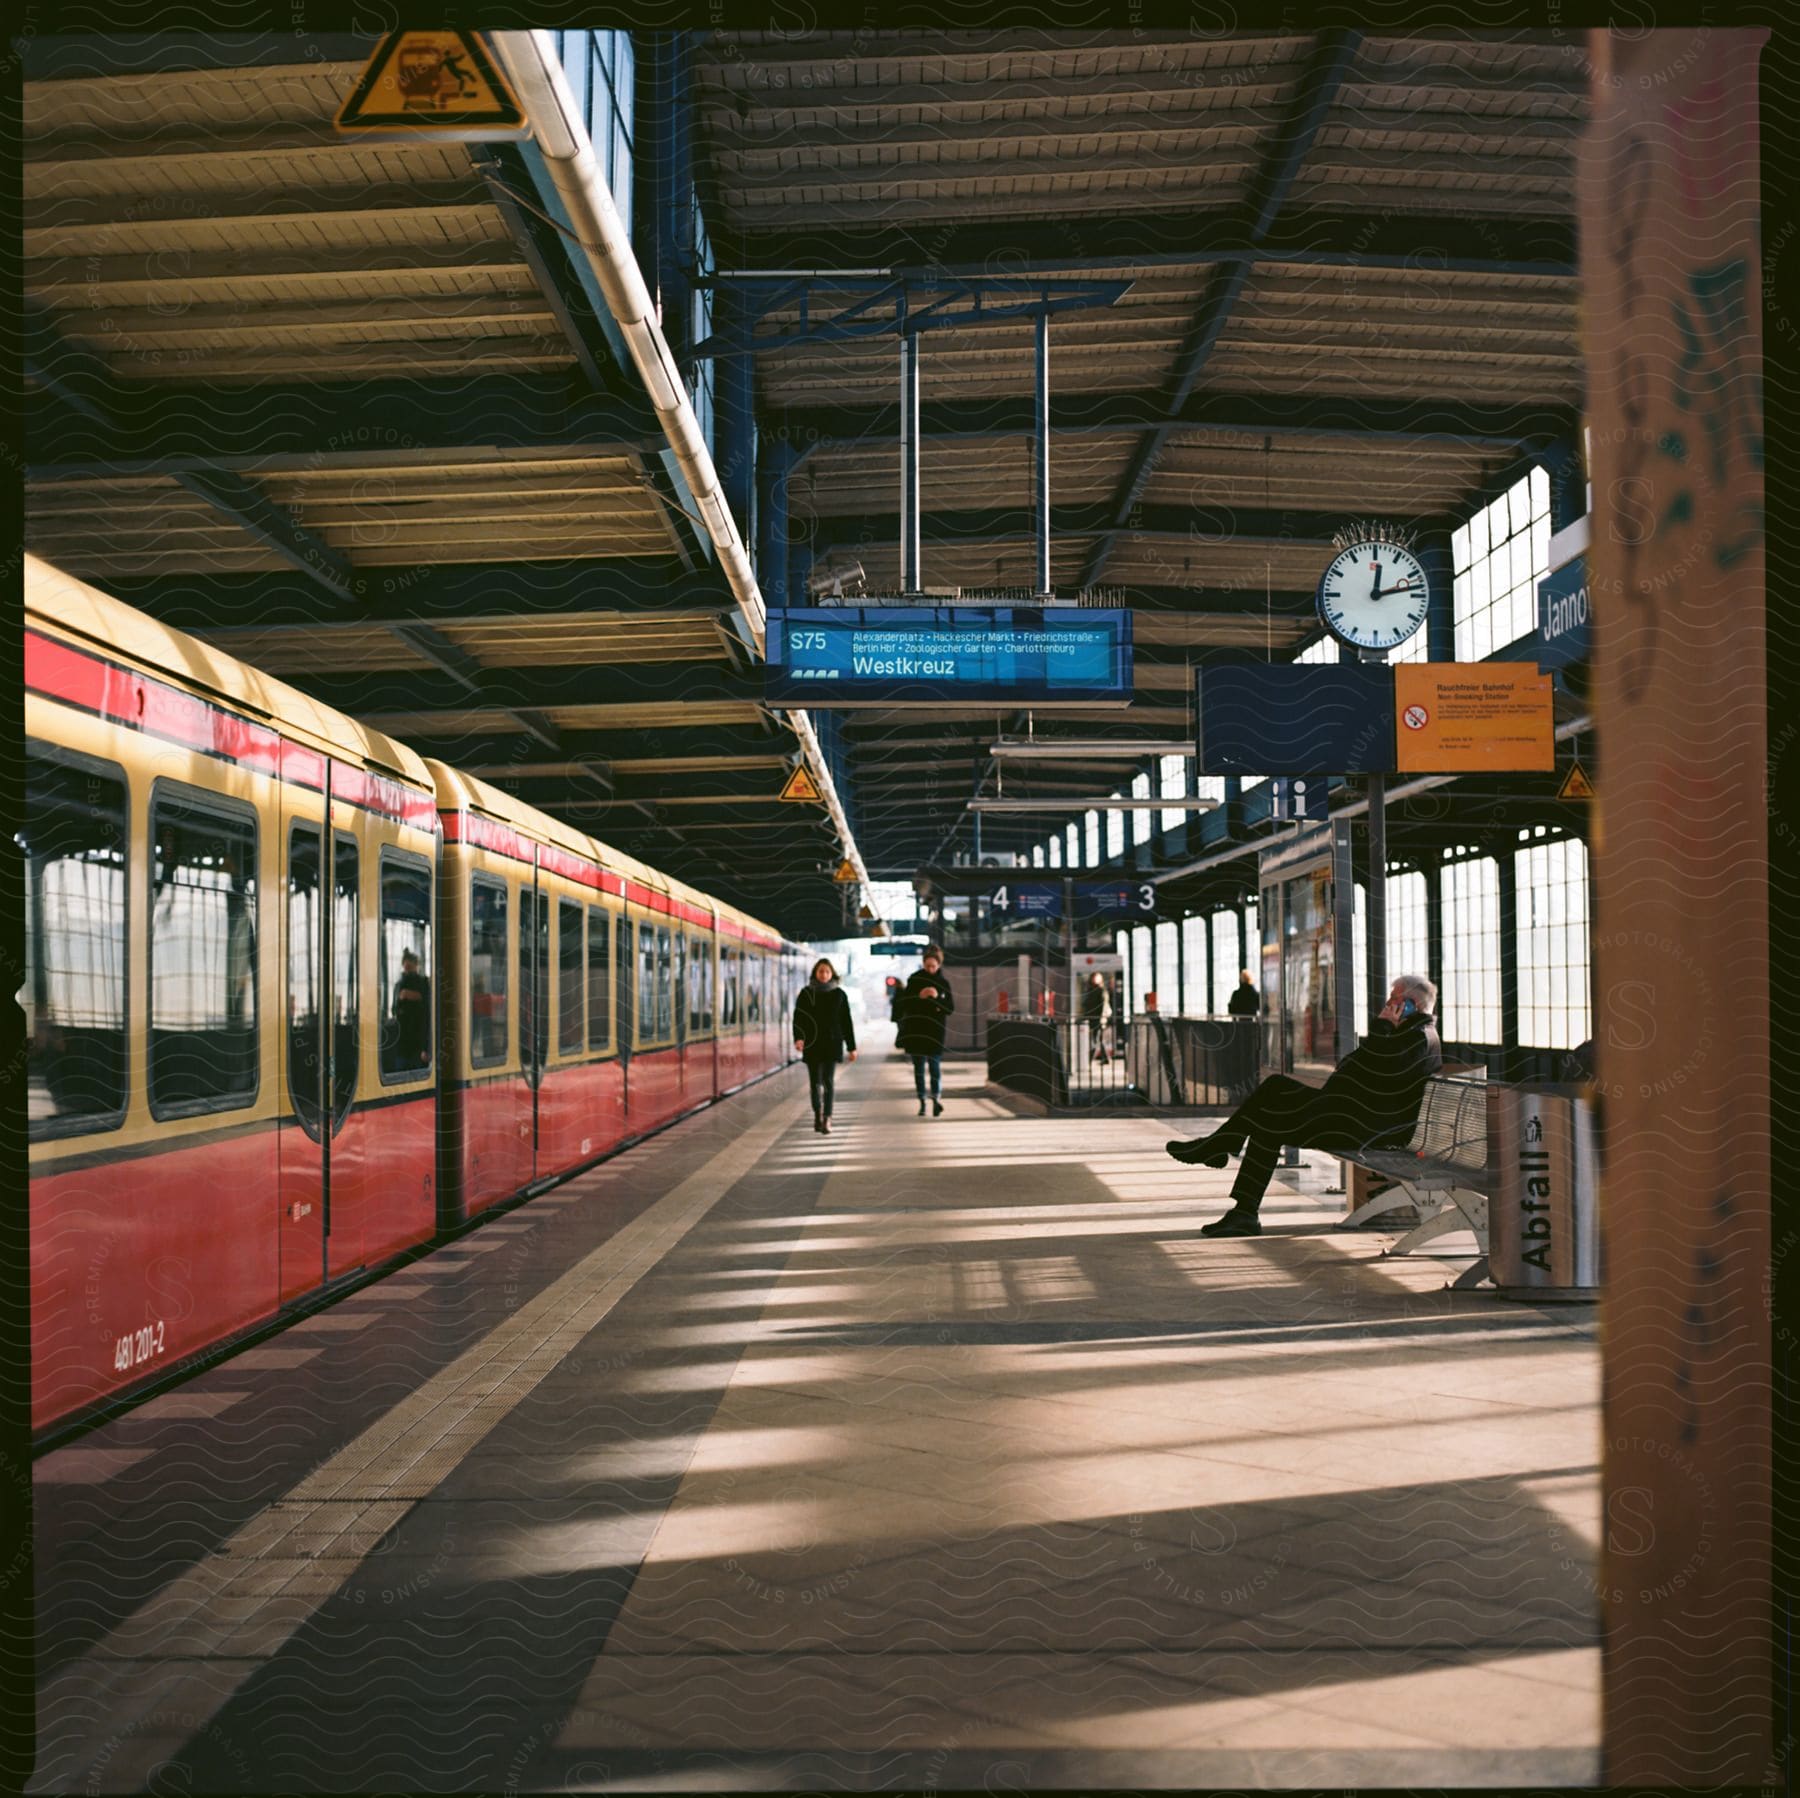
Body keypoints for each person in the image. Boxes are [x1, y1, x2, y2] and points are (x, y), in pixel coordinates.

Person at [1167, 973, 1443, 1238]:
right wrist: (1382, 1033)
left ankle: (1231, 1179)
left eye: (1392, 1000)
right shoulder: (1410, 1034)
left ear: (1410, 1005)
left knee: (1270, 1121)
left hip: (1367, 1128)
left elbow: (1365, 1070)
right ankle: (1225, 1163)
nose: (1386, 1006)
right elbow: (1357, 1070)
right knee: (1276, 1086)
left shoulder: (1417, 1039)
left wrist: (1382, 1027)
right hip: (1352, 1114)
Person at [793, 957, 856, 1134]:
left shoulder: (839, 995)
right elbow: (799, 1018)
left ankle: (827, 1118)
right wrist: (799, 1038)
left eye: (827, 972)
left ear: (832, 974)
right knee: (815, 1083)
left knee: (828, 1082)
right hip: (813, 1043)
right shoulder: (806, 993)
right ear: (815, 973)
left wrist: (852, 1047)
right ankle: (817, 1114)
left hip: (832, 1043)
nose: (824, 975)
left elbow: (846, 1022)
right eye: (821, 971)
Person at [897, 946, 955, 1117]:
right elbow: (904, 1005)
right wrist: (919, 997)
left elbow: (950, 1008)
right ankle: (922, 1100)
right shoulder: (914, 980)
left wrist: (936, 998)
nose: (930, 969)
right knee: (919, 1069)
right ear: (923, 964)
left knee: (935, 1067)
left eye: (933, 966)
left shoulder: (944, 984)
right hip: (916, 1031)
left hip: (936, 1032)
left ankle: (936, 1099)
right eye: (927, 965)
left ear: (938, 965)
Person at [391, 948, 432, 1069]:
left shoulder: (424, 983)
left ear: (416, 965)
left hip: (418, 1039)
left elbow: (428, 1013)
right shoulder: (399, 985)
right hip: (402, 1040)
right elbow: (394, 1009)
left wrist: (426, 1047)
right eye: (406, 966)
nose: (407, 969)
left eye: (411, 966)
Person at [1081, 970, 1114, 1062]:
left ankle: (1089, 1059)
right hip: (1093, 1018)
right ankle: (1105, 1058)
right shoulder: (1091, 990)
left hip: (1098, 1019)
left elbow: (1103, 1005)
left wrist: (1102, 1018)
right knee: (1098, 1039)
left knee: (1095, 1039)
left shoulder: (1101, 991)